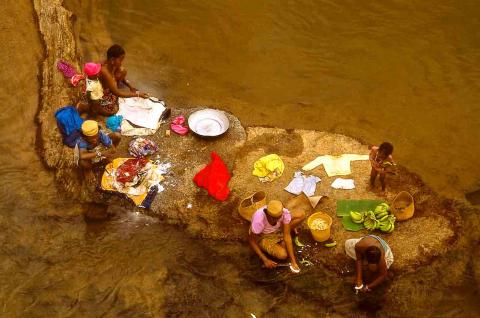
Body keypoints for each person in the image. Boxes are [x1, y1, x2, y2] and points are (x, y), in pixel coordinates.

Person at [248, 200, 305, 273]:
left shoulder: (284, 213)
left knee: (301, 214)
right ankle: (279, 242)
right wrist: (265, 259)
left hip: (278, 230)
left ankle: (281, 240)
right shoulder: (259, 221)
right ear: (266, 213)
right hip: (264, 236)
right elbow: (251, 240)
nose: (276, 220)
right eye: (273, 218)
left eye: (279, 217)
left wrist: (293, 261)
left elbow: (287, 235)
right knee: (283, 255)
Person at [96, 44, 149, 116]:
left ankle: (111, 90)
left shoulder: (112, 64)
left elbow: (122, 77)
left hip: (109, 87)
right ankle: (95, 108)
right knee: (113, 110)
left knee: (123, 70)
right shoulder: (104, 71)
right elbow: (117, 93)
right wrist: (138, 94)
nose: (121, 62)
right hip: (100, 93)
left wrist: (130, 86)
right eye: (120, 59)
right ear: (112, 60)